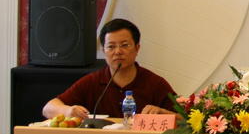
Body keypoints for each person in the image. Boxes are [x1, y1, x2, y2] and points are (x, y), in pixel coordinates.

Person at [42, 18, 176, 120]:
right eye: (111, 46)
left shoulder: (155, 83)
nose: (118, 52)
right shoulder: (93, 81)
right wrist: (68, 111)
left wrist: (162, 113)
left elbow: (184, 119)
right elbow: (48, 108)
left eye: (124, 45)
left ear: (137, 48)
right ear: (103, 51)